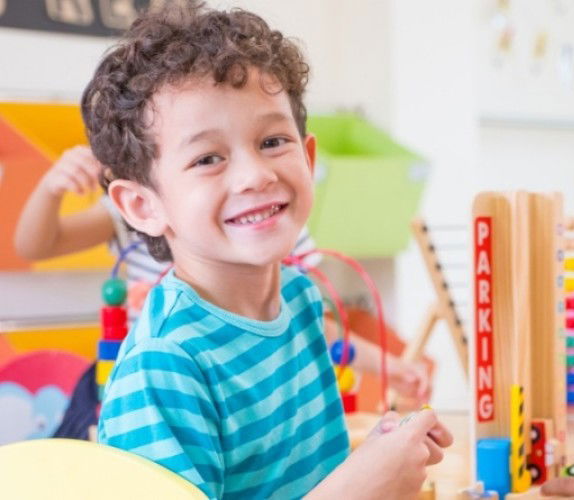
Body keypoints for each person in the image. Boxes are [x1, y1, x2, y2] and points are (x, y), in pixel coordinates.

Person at [75, 5, 452, 498]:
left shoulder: (300, 299)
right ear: (143, 206)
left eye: (273, 141)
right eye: (208, 158)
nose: (255, 175)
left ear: (309, 159)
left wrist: (377, 458)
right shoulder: (163, 366)